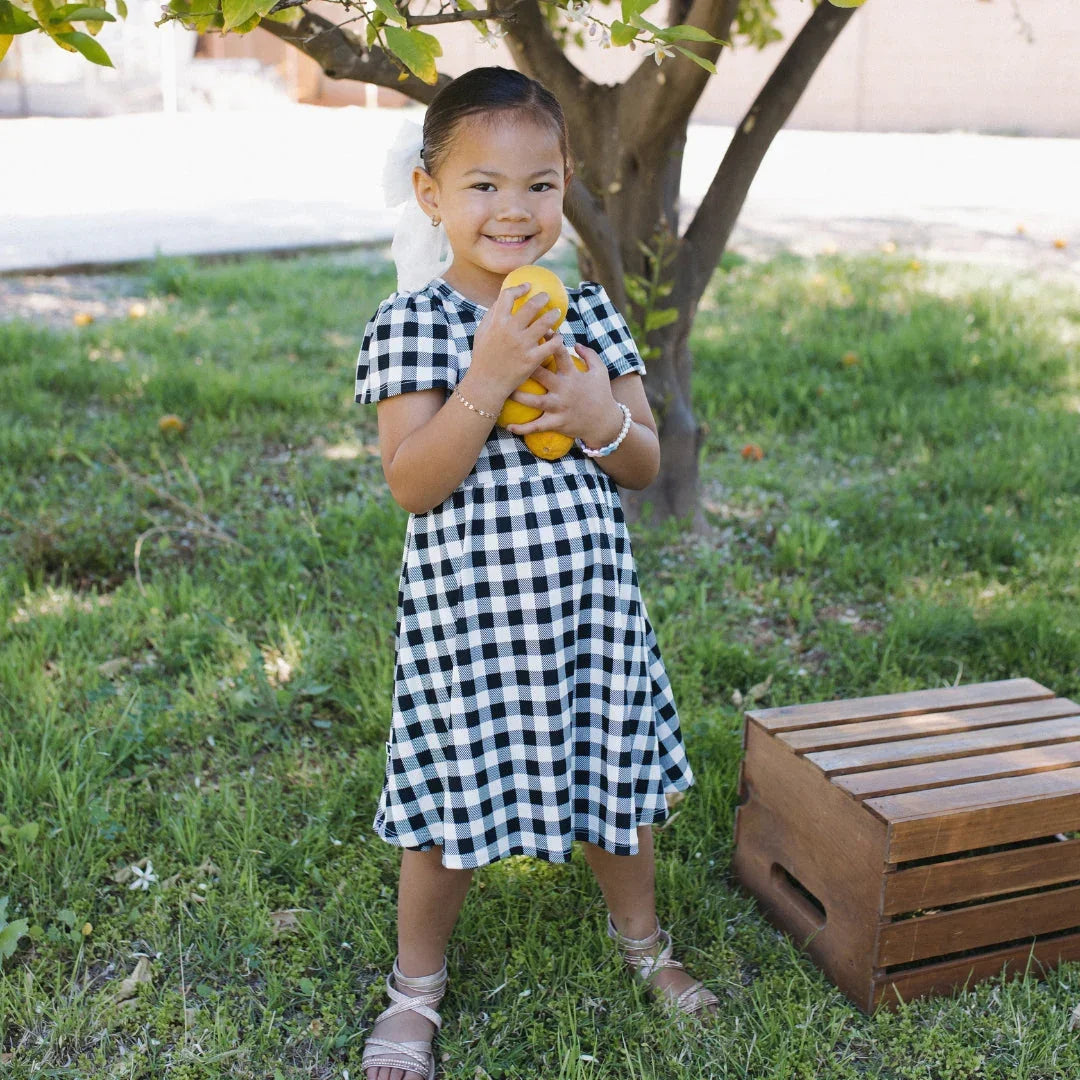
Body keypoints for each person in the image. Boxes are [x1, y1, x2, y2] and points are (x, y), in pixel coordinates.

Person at [354, 65, 718, 1080]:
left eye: (540, 185)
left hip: (589, 614)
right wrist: (490, 376)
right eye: (482, 186)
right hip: (468, 628)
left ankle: (645, 944)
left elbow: (645, 458)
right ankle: (415, 988)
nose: (513, 209)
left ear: (565, 187)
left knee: (617, 787)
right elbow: (413, 483)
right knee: (444, 816)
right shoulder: (413, 327)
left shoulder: (591, 315)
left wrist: (602, 419)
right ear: (432, 195)